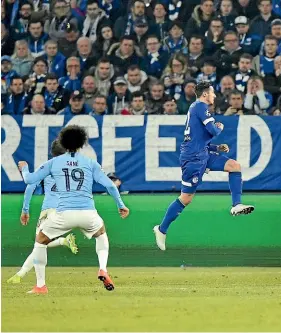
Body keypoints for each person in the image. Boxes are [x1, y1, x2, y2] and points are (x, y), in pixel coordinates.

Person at [18, 125, 129, 294]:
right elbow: (110, 186)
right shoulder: (90, 163)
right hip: (88, 213)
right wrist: (121, 205)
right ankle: (102, 268)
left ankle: (40, 285)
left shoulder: (53, 163)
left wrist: (24, 168)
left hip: (63, 213)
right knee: (101, 234)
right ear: (81, 143)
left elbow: (30, 180)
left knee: (40, 241)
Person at [153, 81, 255, 251]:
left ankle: (236, 204)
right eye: (213, 93)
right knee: (186, 198)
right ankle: (161, 229)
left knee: (234, 166)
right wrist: (220, 127)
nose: (214, 96)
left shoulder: (198, 108)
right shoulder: (200, 106)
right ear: (205, 94)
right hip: (192, 158)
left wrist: (216, 148)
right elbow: (213, 131)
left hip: (203, 154)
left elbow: (199, 136)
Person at [7, 140, 78, 284]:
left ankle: (36, 282)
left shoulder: (46, 167)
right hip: (66, 209)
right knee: (41, 244)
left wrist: (25, 209)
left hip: (49, 209)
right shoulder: (73, 168)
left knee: (39, 244)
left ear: (51, 152)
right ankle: (19, 275)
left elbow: (30, 186)